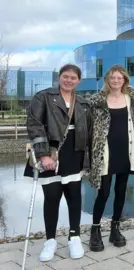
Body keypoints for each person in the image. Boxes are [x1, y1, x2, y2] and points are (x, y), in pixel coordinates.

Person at [24, 64, 91, 261]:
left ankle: (74, 236)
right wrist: (43, 154)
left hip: (74, 153)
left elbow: (88, 131)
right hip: (51, 152)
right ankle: (50, 240)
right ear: (59, 77)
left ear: (78, 80)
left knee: (74, 196)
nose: (69, 80)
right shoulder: (43, 97)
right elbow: (34, 125)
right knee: (52, 196)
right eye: (65, 76)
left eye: (73, 78)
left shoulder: (83, 102)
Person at [88, 65, 134, 251]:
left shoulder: (131, 99)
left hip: (126, 152)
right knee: (103, 193)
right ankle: (95, 230)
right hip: (105, 153)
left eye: (119, 78)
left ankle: (115, 227)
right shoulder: (97, 101)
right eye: (112, 77)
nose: (116, 81)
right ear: (107, 80)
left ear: (125, 80)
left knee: (121, 192)